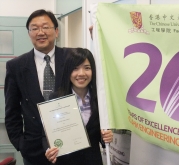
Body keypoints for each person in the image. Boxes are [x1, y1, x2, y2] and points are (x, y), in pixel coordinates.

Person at [4, 9, 73, 165]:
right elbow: (11, 111)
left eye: (45, 27)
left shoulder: (72, 58)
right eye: (34, 28)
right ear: (29, 34)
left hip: (71, 145)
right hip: (34, 150)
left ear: (56, 31)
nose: (40, 32)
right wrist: (21, 144)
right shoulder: (16, 66)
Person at [45, 48, 113, 165]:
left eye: (87, 68)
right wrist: (49, 150)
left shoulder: (101, 99)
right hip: (65, 162)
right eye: (75, 68)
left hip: (92, 161)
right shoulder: (56, 98)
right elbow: (45, 134)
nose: (81, 73)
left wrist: (106, 137)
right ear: (68, 71)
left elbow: (100, 137)